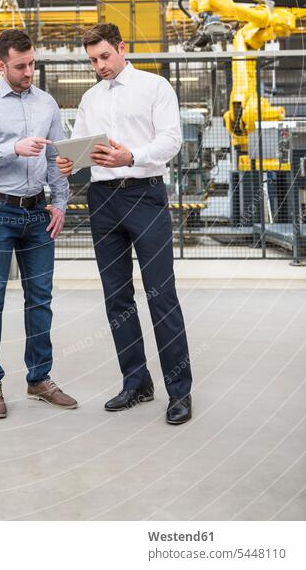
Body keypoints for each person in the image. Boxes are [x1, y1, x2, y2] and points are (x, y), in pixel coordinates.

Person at [56, 23, 192, 425]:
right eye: (92, 60)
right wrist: (69, 162)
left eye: (104, 57)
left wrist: (130, 157)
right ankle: (136, 382)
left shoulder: (154, 87)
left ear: (121, 49)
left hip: (145, 195)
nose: (99, 66)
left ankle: (179, 392)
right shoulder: (90, 98)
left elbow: (172, 140)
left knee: (160, 294)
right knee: (117, 298)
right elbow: (81, 147)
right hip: (103, 201)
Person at [0, 28, 78, 419]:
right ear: (1, 65)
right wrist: (12, 147)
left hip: (38, 213)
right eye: (20, 66)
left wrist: (60, 202)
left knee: (40, 299)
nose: (29, 72)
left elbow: (56, 159)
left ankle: (39, 378)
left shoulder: (46, 104)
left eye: (32, 64)